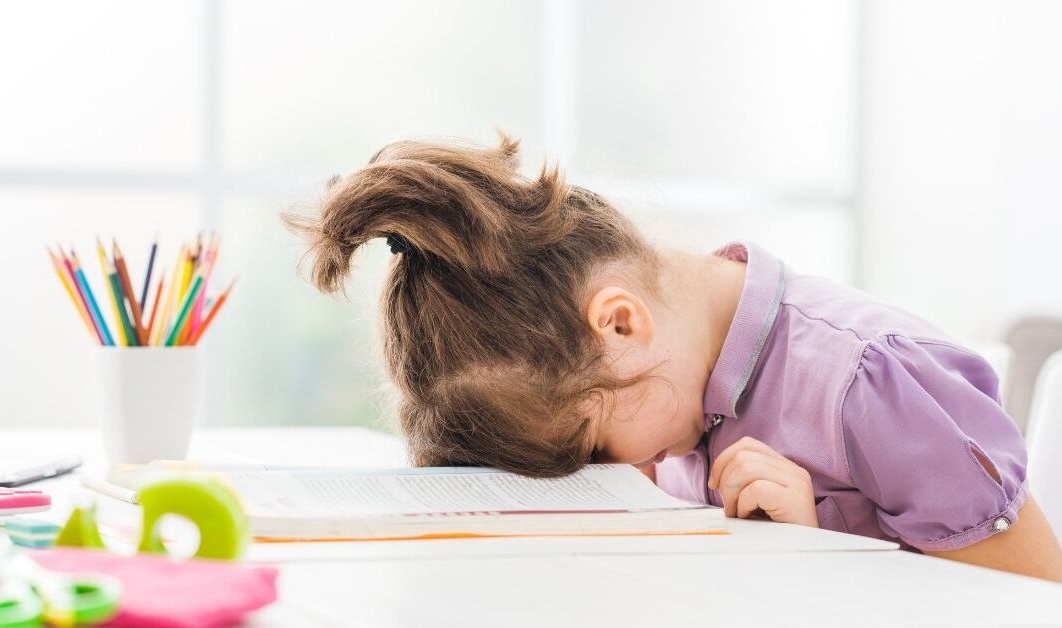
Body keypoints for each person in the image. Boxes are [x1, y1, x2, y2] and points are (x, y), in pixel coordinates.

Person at [286, 133, 1062, 581]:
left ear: (620, 325)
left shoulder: (869, 382)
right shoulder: (679, 398)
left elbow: (1034, 599)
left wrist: (818, 554)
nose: (609, 473)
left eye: (589, 446)